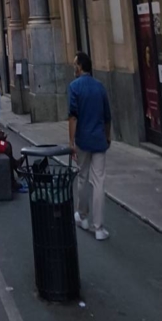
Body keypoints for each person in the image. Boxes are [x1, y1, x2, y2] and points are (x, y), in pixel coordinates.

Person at [68, 51, 112, 240]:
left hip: (83, 140)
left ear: (80, 67)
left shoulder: (74, 87)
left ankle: (82, 216)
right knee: (99, 182)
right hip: (99, 140)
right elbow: (107, 116)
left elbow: (73, 116)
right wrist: (107, 137)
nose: (73, 67)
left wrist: (71, 142)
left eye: (75, 64)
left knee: (83, 177)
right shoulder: (100, 87)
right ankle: (99, 228)